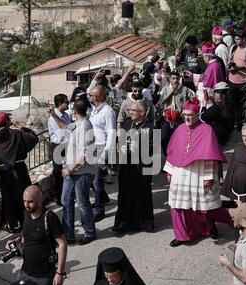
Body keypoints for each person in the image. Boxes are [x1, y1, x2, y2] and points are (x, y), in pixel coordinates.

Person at [164, 97, 233, 246]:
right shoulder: (179, 129)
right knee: (179, 206)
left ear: (196, 115)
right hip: (180, 174)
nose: (188, 117)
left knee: (204, 206)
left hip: (198, 173)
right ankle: (182, 235)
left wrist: (209, 176)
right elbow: (172, 152)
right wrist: (169, 171)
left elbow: (210, 155)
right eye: (185, 115)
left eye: (191, 115)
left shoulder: (206, 130)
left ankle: (209, 228)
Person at [5, 186, 67, 285]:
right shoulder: (26, 213)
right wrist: (16, 240)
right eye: (24, 201)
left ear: (39, 200)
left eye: (30, 202)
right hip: (25, 272)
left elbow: (62, 243)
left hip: (43, 276)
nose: (26, 205)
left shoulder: (49, 217)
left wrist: (59, 273)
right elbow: (26, 232)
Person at [49, 100, 97, 245]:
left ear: (75, 112)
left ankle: (89, 232)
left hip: (81, 172)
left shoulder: (85, 127)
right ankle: (68, 234)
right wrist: (54, 116)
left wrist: (70, 168)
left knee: (82, 203)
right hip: (71, 172)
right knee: (65, 200)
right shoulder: (77, 124)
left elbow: (85, 153)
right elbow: (65, 127)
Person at [0, 112, 38, 233]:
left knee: (8, 199)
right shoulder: (17, 133)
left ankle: (12, 225)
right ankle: (28, 221)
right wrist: (21, 127)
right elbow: (33, 139)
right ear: (8, 121)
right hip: (19, 170)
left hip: (4, 172)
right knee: (24, 196)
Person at [112, 100, 154, 234]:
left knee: (142, 194)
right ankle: (123, 223)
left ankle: (144, 223)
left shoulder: (150, 127)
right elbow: (120, 141)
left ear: (141, 112)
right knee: (125, 194)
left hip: (142, 167)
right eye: (130, 110)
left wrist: (140, 148)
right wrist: (121, 147)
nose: (130, 113)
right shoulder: (127, 123)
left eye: (133, 111)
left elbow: (154, 149)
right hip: (127, 166)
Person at [88, 85, 117, 222]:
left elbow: (111, 133)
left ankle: (99, 210)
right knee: (94, 180)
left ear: (98, 97)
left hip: (100, 149)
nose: (90, 98)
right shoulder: (95, 110)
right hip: (92, 148)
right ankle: (103, 198)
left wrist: (105, 154)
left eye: (91, 96)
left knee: (96, 181)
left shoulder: (107, 112)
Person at [48, 94, 72, 206]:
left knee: (68, 169)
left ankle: (67, 194)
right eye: (66, 102)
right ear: (59, 104)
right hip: (58, 145)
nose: (68, 104)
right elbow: (64, 131)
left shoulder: (66, 115)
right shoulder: (53, 118)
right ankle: (59, 197)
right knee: (58, 172)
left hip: (66, 145)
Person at [199, 82, 234, 146]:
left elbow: (202, 117)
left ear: (217, 93)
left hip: (216, 139)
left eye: (215, 92)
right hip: (226, 136)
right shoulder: (231, 105)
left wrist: (204, 106)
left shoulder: (216, 108)